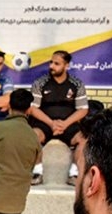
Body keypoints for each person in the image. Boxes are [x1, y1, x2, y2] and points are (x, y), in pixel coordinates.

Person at [28, 50, 88, 185]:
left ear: (66, 66)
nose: (51, 66)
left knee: (84, 140)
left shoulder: (77, 84)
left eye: (56, 64)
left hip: (68, 124)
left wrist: (65, 124)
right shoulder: (40, 83)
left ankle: (74, 174)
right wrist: (51, 123)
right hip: (45, 123)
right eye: (51, 62)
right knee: (33, 136)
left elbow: (83, 109)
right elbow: (33, 108)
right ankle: (37, 172)